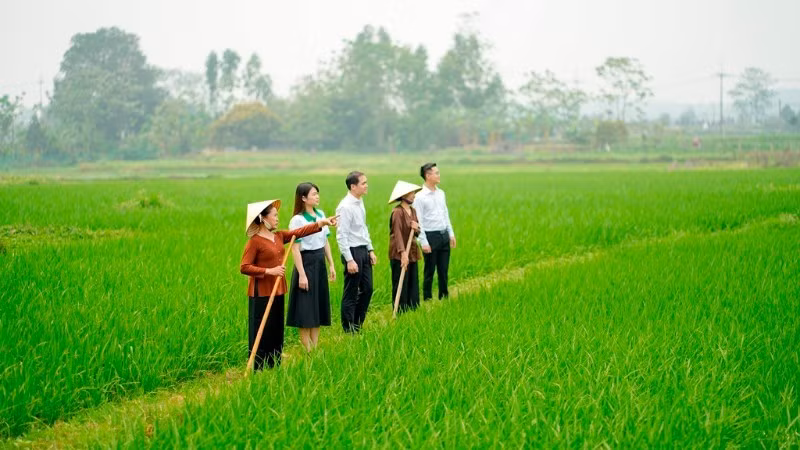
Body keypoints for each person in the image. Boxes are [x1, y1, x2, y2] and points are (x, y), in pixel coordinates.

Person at [240, 199, 337, 370]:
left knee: (276, 328)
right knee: (261, 329)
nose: (278, 219)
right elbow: (244, 267)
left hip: (278, 290)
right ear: (263, 218)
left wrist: (320, 223)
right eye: (275, 216)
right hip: (261, 292)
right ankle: (259, 367)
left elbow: (300, 232)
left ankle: (274, 364)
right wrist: (269, 271)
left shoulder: (278, 236)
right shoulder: (255, 242)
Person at [286, 182, 336, 353]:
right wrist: (301, 274)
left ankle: (315, 348)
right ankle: (308, 350)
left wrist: (331, 264)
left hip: (319, 262)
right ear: (303, 198)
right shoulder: (297, 220)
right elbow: (295, 249)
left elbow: (325, 242)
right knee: (305, 309)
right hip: (305, 264)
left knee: (318, 307)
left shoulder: (320, 214)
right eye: (314, 194)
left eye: (317, 193)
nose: (317, 197)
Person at [335, 171, 376, 333]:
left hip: (363, 250)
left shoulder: (360, 202)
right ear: (353, 186)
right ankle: (348, 328)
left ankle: (358, 324)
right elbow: (341, 235)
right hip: (352, 252)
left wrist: (370, 249)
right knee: (351, 291)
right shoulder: (345, 207)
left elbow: (363, 229)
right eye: (363, 183)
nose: (366, 186)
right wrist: (349, 259)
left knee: (368, 288)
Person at [413, 162, 456, 301]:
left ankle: (444, 295)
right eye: (436, 173)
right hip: (430, 237)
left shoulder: (441, 193)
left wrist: (451, 234)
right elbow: (419, 221)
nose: (439, 175)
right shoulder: (419, 196)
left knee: (443, 270)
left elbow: (445, 214)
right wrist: (423, 241)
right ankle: (427, 297)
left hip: (443, 235)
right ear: (427, 175)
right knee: (429, 270)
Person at [387, 181, 422, 314]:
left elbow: (417, 232)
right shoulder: (397, 212)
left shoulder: (413, 211)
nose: (414, 196)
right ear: (404, 195)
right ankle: (401, 311)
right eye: (412, 193)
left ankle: (413, 309)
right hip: (399, 253)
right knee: (401, 282)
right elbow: (397, 234)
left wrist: (416, 227)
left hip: (412, 251)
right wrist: (403, 254)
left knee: (413, 281)